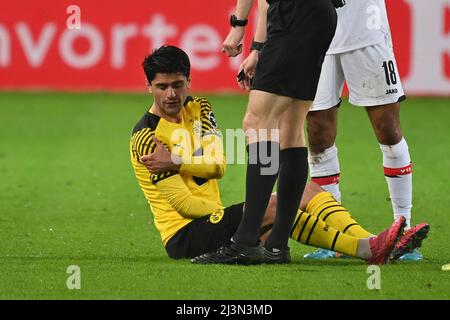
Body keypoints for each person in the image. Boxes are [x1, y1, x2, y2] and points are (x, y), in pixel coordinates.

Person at [129, 45, 429, 265]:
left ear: (189, 82)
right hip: (187, 234)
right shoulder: (146, 139)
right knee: (274, 204)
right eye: (162, 87)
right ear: (149, 87)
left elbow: (218, 165)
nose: (171, 95)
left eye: (177, 85)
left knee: (305, 189)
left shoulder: (200, 109)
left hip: (222, 222)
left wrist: (179, 161)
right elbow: (184, 205)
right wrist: (248, 215)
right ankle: (368, 249)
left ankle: (379, 241)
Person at [237, 0, 421, 261]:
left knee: (387, 127)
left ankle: (403, 227)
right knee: (317, 133)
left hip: (364, 29)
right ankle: (333, 235)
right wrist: (256, 43)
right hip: (313, 33)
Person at [193, 0, 345, 265]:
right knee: (291, 128)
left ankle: (245, 241)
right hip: (318, 16)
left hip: (294, 14)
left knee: (257, 123)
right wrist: (258, 50)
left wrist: (238, 25)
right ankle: (276, 245)